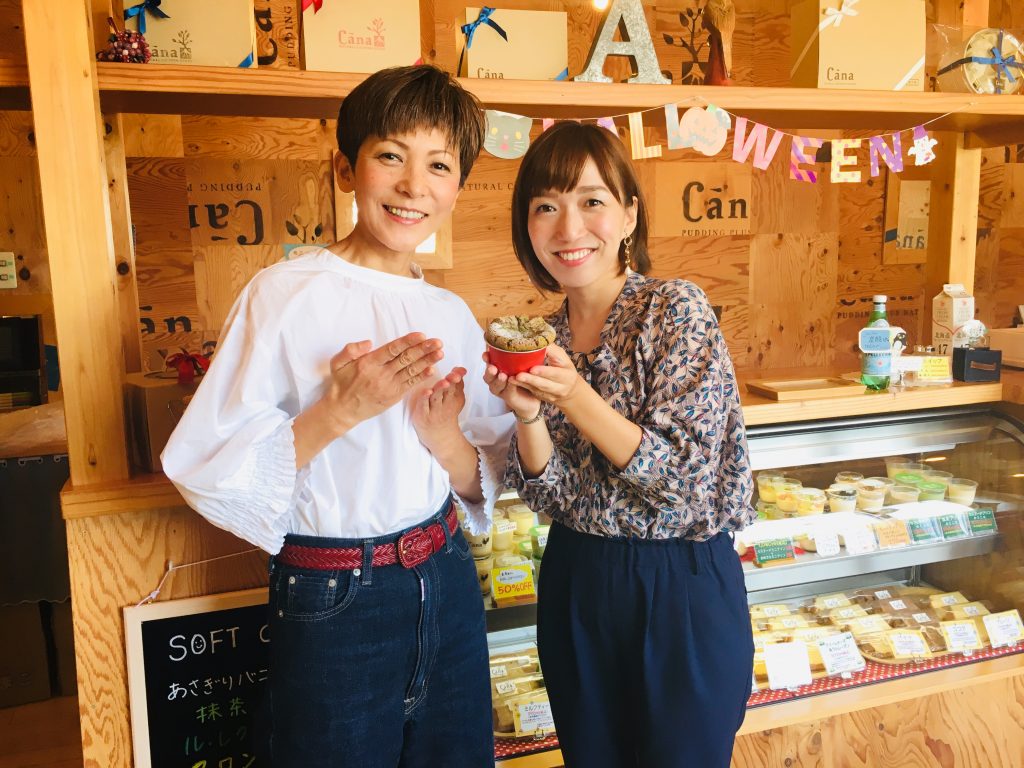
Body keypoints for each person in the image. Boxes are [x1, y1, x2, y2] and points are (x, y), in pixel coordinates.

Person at [162, 65, 512, 768]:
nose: (414, 185)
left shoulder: (450, 314)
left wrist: (444, 436)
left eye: (439, 165)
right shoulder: (284, 294)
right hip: (333, 594)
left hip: (446, 575)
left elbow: (484, 479)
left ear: (457, 187)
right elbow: (207, 468)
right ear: (346, 169)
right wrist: (341, 409)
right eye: (391, 155)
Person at [485, 121, 755, 768]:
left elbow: (682, 478)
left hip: (679, 584)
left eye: (591, 201)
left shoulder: (674, 311)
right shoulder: (542, 336)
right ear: (527, 227)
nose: (568, 227)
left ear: (629, 215)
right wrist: (528, 415)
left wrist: (575, 395)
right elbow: (549, 494)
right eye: (546, 207)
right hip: (576, 578)